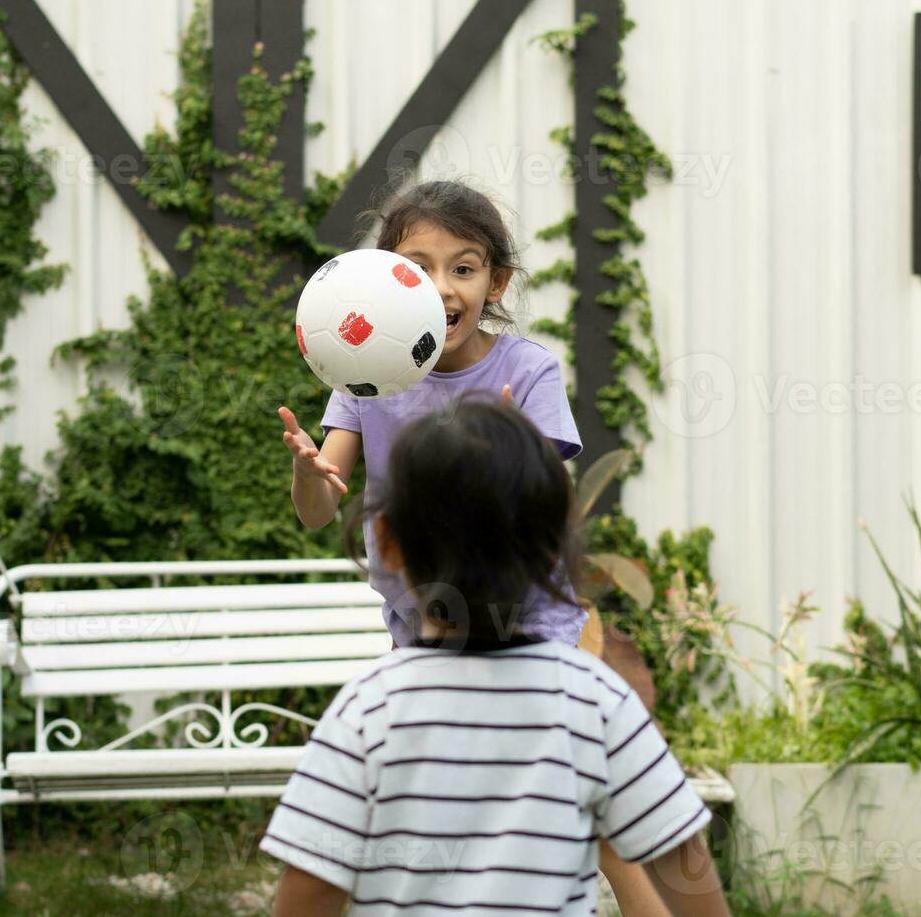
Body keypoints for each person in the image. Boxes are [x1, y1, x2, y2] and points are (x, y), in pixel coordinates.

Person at [261, 401, 730, 916]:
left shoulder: (368, 713)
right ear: (553, 547)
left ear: (388, 544)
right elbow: (692, 891)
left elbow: (304, 903)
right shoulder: (597, 704)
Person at [280, 179, 585, 648]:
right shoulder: (366, 374)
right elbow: (318, 512)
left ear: (497, 283)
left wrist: (506, 454)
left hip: (526, 624)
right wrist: (306, 472)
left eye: (463, 269)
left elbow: (546, 515)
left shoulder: (528, 371)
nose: (441, 288)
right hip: (419, 624)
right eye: (417, 270)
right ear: (386, 279)